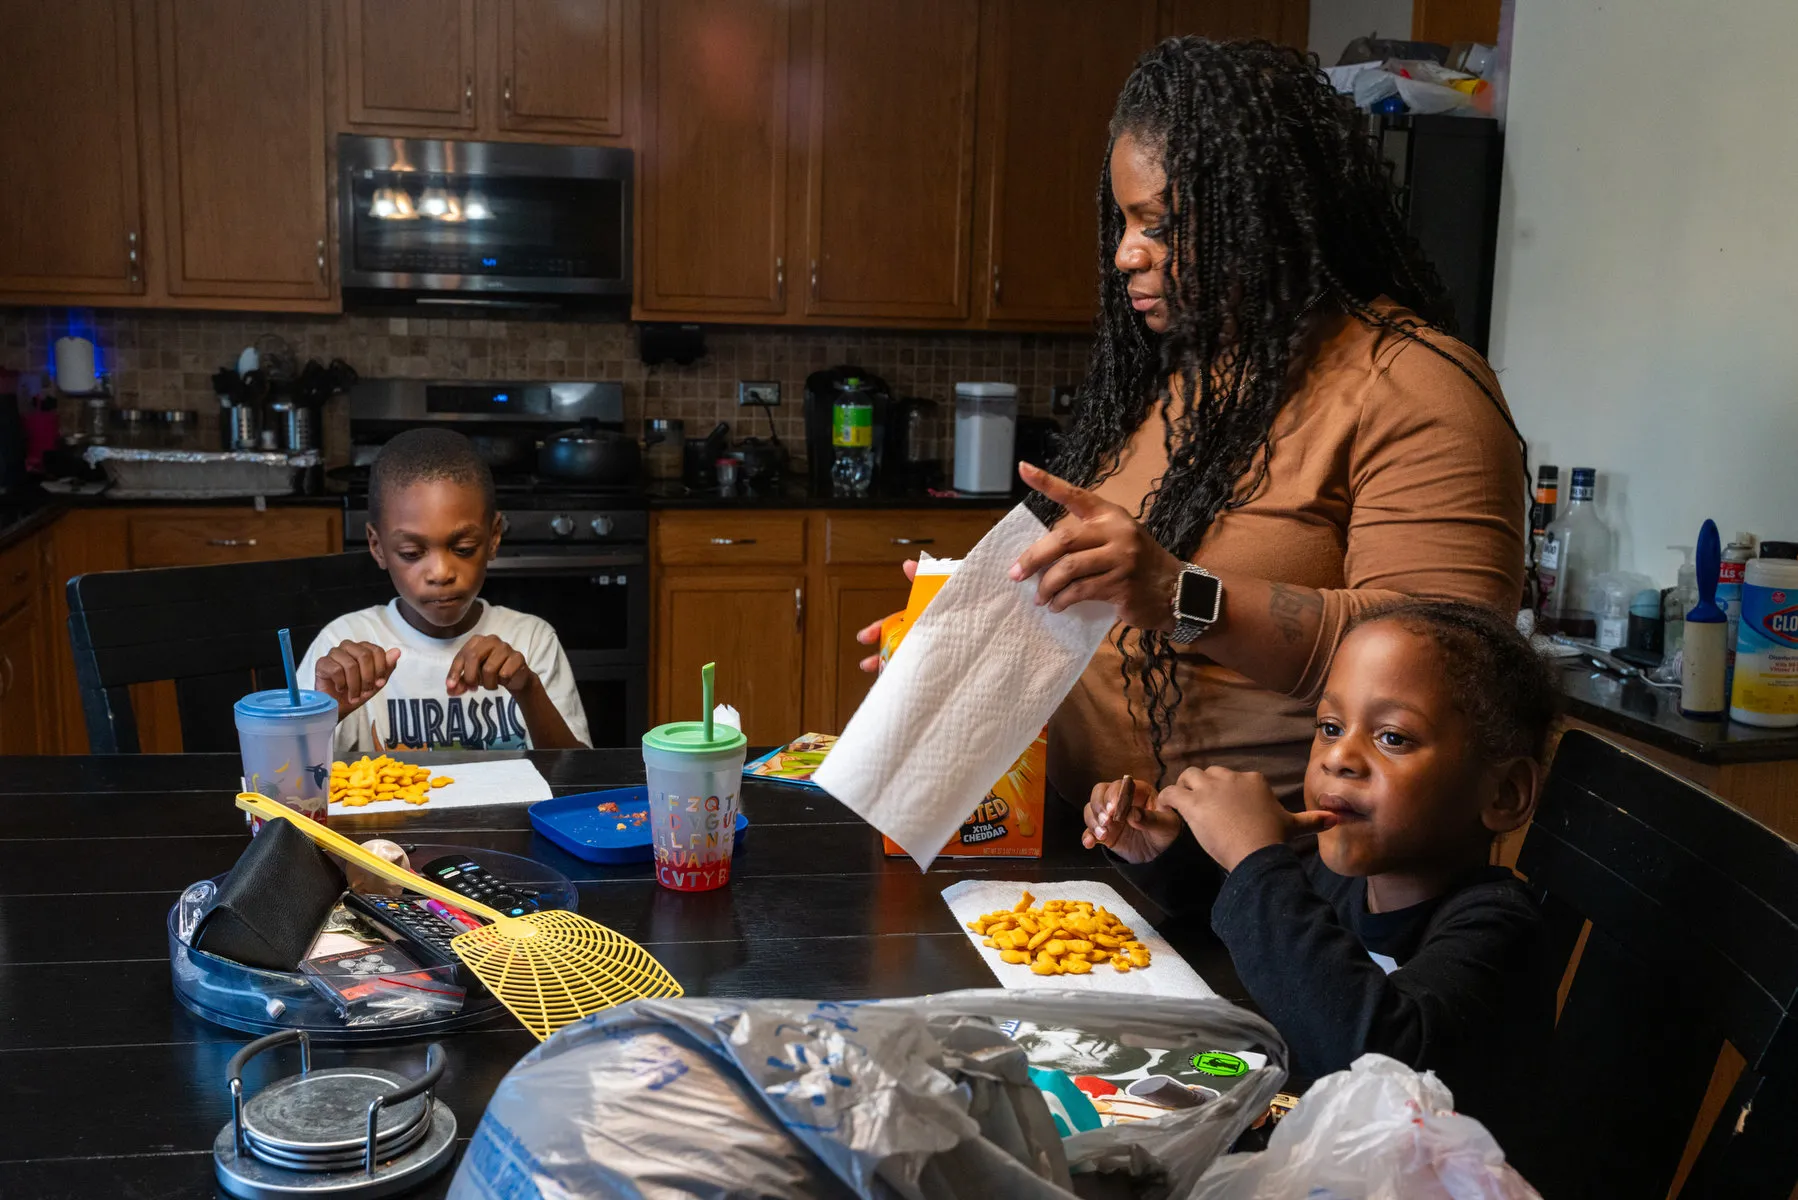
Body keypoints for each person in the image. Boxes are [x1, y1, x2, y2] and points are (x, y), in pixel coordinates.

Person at [859, 40, 1526, 865]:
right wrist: (954, 632)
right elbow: (1098, 602)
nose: (1124, 254)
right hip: (1097, 858)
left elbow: (1452, 671)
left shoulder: (1417, 389)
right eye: (1123, 221)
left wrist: (1181, 595)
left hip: (1279, 903)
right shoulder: (1181, 381)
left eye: (1159, 223)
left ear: (1266, 210)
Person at [1084, 600, 1557, 1141]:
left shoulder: (1499, 929)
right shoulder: (1343, 884)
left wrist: (1254, 858)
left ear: (1504, 793)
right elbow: (1244, 928)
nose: (1339, 758)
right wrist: (1162, 851)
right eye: (1330, 727)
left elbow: (1378, 1062)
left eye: (1392, 737)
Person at [298, 428, 589, 756]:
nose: (440, 573)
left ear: (494, 536)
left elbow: (576, 779)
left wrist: (529, 689)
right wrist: (321, 716)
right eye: (411, 553)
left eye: (463, 548)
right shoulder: (342, 642)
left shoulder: (532, 640)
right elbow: (279, 785)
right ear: (377, 546)